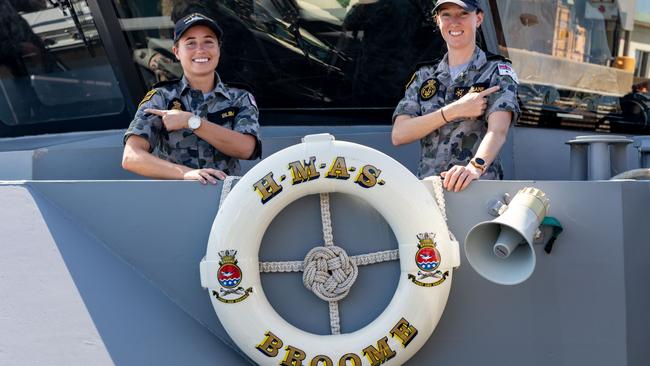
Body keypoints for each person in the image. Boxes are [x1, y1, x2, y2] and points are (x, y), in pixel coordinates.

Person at [391, 0, 519, 192]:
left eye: (463, 14)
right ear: (437, 21)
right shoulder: (424, 76)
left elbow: (498, 131)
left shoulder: (496, 71)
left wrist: (474, 169)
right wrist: (454, 110)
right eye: (446, 15)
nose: (454, 22)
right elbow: (399, 134)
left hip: (477, 189)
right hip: (430, 191)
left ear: (478, 18)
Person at [122, 13, 261, 184]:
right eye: (190, 43)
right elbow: (131, 157)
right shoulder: (161, 98)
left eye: (208, 42)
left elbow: (246, 149)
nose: (200, 50)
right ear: (176, 52)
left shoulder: (240, 98)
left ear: (218, 48)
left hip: (229, 200)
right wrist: (186, 174)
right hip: (179, 199)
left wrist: (192, 122)